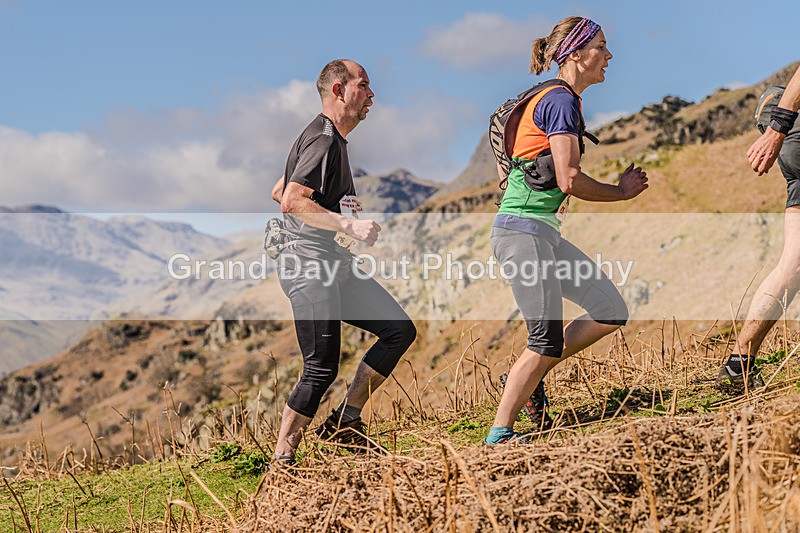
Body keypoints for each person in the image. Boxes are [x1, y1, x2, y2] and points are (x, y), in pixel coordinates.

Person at [485, 17, 649, 445]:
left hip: (542, 234)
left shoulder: (560, 99)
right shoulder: (560, 101)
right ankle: (499, 436)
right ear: (575, 54)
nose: (609, 56)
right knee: (544, 339)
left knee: (609, 309)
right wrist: (620, 192)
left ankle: (527, 375)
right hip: (522, 232)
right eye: (601, 46)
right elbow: (568, 178)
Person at [268, 59, 416, 464]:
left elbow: (279, 188)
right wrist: (348, 227)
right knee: (320, 368)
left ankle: (344, 423)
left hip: (329, 261)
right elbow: (290, 200)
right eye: (364, 86)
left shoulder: (327, 138)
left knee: (399, 330)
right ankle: (283, 460)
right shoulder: (324, 139)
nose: (372, 96)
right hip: (307, 264)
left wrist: (333, 211)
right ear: (338, 90)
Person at [717, 64, 800, 390]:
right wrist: (778, 128)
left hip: (792, 138)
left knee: (792, 265)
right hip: (791, 128)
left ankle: (740, 364)